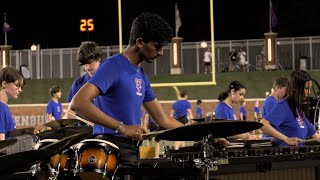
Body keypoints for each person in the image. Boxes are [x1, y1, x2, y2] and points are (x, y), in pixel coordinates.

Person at [70, 13, 228, 164]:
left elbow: (163, 120)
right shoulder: (113, 66)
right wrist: (122, 127)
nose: (161, 52)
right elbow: (79, 103)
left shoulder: (141, 75)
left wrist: (206, 138)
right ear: (139, 42)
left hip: (131, 150)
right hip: (110, 150)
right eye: (157, 46)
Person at [260, 70, 320, 146]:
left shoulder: (298, 109)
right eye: (306, 88)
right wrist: (286, 139)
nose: (308, 92)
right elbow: (263, 125)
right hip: (286, 156)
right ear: (295, 88)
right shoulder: (284, 105)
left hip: (299, 155)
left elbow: (316, 137)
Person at [63, 41, 102, 126]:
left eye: (90, 62)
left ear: (99, 58)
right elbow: (70, 112)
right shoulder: (78, 83)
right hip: (84, 134)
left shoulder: (111, 80)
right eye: (84, 64)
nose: (87, 67)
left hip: (107, 133)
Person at [0, 67, 25, 140]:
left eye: (21, 87)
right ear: (4, 84)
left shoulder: (4, 107)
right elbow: (1, 143)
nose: (20, 90)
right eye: (17, 85)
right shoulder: (0, 108)